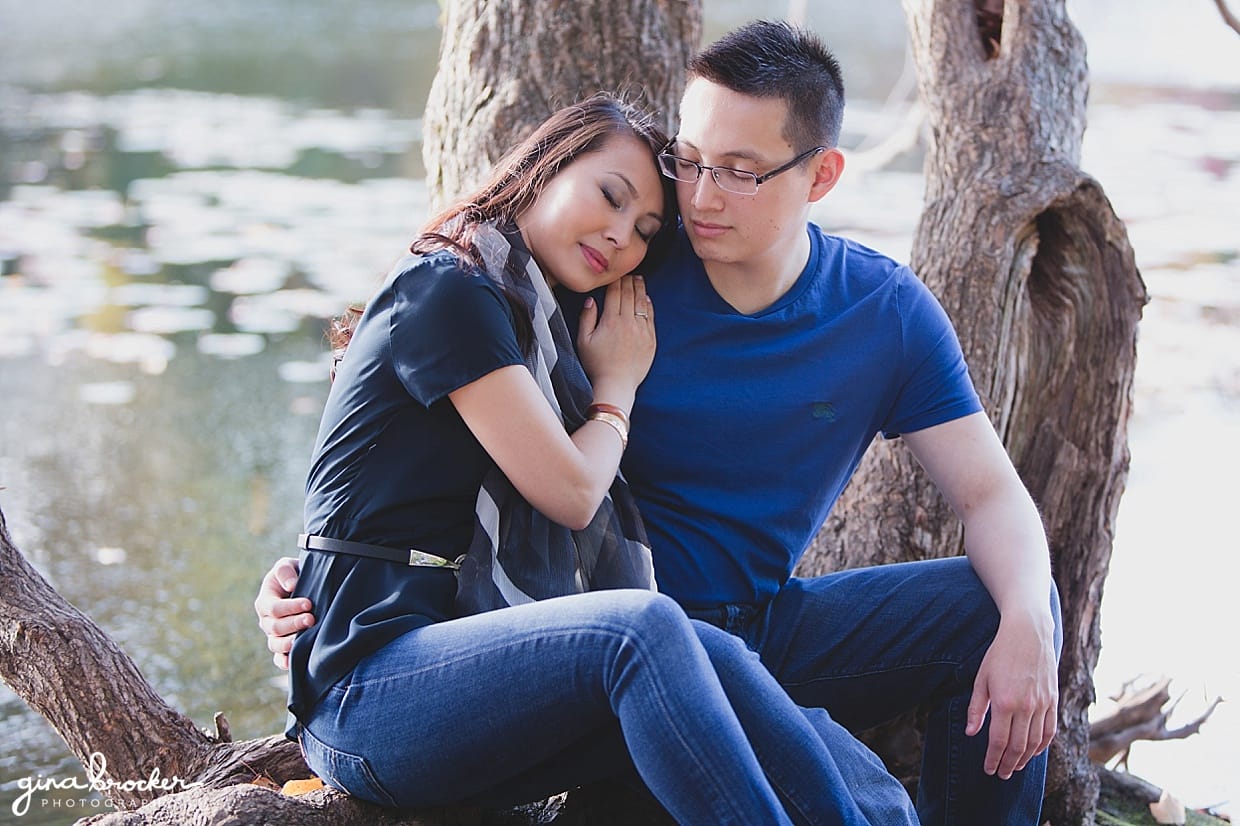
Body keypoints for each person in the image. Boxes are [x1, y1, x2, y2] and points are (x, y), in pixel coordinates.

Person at [260, 21, 1063, 825]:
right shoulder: (601, 272)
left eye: (739, 172)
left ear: (820, 175)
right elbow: (407, 424)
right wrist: (313, 573)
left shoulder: (877, 311)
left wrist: (1031, 623)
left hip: (750, 637)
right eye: (692, 160)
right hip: (605, 637)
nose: (699, 198)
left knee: (1005, 606)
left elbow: (991, 495)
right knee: (680, 653)